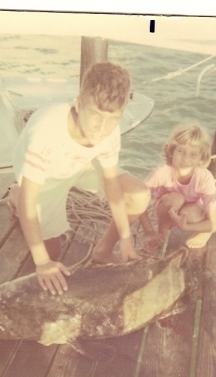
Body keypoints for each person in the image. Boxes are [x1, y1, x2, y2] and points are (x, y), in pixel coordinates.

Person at [9, 62, 150, 295]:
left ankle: (103, 251)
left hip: (80, 164)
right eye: (95, 115)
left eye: (112, 118)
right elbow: (29, 203)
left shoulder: (108, 132)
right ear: (78, 103)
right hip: (46, 175)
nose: (102, 128)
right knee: (50, 253)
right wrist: (43, 262)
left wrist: (125, 238)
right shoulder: (46, 133)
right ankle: (16, 193)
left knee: (138, 195)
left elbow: (111, 183)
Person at [139, 122, 216, 252]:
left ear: (202, 158)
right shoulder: (162, 172)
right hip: (166, 209)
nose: (185, 158)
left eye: (193, 154)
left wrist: (186, 227)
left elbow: (214, 224)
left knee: (192, 214)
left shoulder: (205, 178)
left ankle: (203, 233)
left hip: (191, 212)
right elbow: (138, 199)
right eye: (181, 151)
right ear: (172, 152)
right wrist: (149, 232)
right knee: (176, 199)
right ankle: (162, 232)